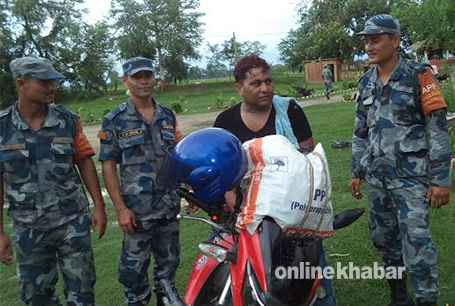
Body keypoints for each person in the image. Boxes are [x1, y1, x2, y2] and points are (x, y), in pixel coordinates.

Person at [213, 54, 336, 306]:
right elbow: (222, 168)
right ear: (239, 88)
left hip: (290, 208)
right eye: (256, 83)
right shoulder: (225, 122)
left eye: (268, 82)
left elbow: (306, 162)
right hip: (245, 213)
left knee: (307, 270)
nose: (265, 88)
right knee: (247, 271)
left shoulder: (289, 110)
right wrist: (229, 193)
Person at [350, 14, 451, 306]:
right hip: (377, 179)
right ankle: (398, 297)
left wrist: (441, 180)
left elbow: (438, 131)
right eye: (366, 41)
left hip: (411, 179)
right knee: (385, 241)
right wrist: (356, 169)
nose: (369, 46)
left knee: (417, 244)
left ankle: (426, 300)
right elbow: (360, 131)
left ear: (395, 41)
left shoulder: (420, 76)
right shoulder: (366, 82)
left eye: (375, 39)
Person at [0, 56, 107, 306]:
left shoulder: (67, 120)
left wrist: (99, 207)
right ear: (21, 84)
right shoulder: (2, 126)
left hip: (71, 221)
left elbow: (84, 161)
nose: (52, 87)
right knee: (36, 296)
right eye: (43, 82)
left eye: (54, 81)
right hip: (27, 227)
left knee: (82, 290)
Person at [98, 56, 184, 306]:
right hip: (136, 212)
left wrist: (188, 189)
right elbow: (108, 165)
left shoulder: (167, 116)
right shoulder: (114, 120)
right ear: (126, 80)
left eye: (148, 75)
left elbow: (177, 156)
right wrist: (121, 209)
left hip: (168, 207)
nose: (144, 81)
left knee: (168, 270)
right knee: (133, 273)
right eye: (137, 77)